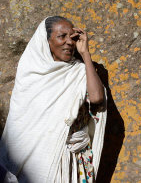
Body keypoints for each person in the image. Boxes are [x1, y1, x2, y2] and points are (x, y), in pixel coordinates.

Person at [0, 16, 107, 182]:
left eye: (72, 37)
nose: (69, 42)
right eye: (61, 36)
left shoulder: (79, 71)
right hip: (35, 162)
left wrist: (86, 54)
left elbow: (97, 98)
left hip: (68, 162)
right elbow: (21, 126)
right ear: (46, 40)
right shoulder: (30, 72)